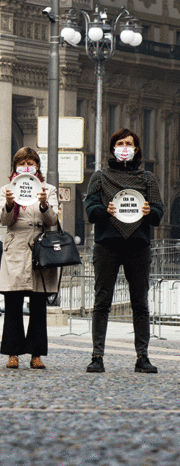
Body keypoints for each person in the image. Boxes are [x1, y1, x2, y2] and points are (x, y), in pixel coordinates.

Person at [85, 128, 163, 374]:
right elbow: (90, 211)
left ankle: (143, 356)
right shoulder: (99, 177)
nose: (125, 146)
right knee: (102, 302)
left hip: (137, 246)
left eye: (129, 143)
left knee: (140, 303)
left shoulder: (148, 179)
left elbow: (159, 215)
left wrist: (150, 211)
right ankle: (97, 356)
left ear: (137, 149)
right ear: (113, 148)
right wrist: (104, 210)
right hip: (107, 245)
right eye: (120, 143)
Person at [0, 148, 59, 369]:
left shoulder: (48, 189)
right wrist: (9, 204)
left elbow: (52, 219)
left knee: (38, 303)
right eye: (22, 162)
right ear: (14, 166)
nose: (26, 166)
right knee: (13, 302)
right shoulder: (7, 189)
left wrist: (44, 204)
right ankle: (12, 353)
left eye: (31, 162)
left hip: (40, 245)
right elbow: (3, 220)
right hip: (17, 245)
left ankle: (36, 354)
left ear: (38, 165)